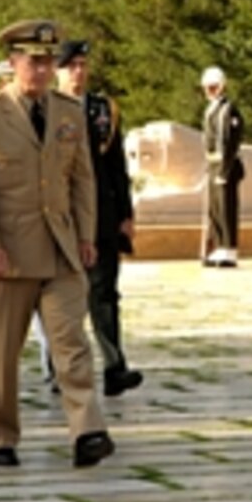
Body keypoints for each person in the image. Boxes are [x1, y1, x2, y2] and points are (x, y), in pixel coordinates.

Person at [0, 19, 115, 468]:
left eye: (49, 61)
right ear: (12, 63)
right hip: (6, 255)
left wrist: (86, 236)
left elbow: (83, 180)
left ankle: (88, 431)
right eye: (34, 61)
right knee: (0, 354)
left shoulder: (69, 112)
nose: (44, 70)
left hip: (61, 250)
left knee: (71, 343)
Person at [56, 40, 143, 397]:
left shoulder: (103, 109)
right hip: (63, 216)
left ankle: (113, 366)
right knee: (64, 297)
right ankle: (64, 368)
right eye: (71, 65)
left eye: (82, 64)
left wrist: (125, 213)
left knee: (105, 293)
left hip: (102, 215)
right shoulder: (47, 108)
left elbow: (116, 166)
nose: (78, 71)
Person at [0, 58, 53, 385]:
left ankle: (56, 369)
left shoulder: (54, 114)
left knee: (57, 324)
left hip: (47, 240)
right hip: (1, 240)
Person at [200, 65, 245, 268]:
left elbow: (231, 142)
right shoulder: (212, 108)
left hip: (225, 164)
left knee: (226, 209)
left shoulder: (229, 109)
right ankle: (217, 248)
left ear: (221, 86)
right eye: (207, 87)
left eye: (213, 87)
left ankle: (229, 250)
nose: (210, 91)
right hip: (213, 163)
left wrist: (225, 170)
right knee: (215, 209)